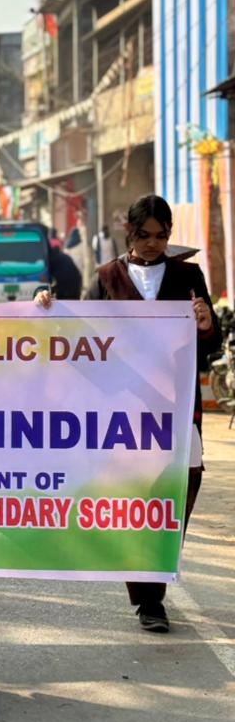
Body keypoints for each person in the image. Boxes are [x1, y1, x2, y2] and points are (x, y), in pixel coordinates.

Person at [35, 193, 221, 634]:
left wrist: (205, 324)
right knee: (137, 499)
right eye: (144, 235)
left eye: (161, 235)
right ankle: (149, 598)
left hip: (177, 409)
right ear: (129, 233)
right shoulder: (106, 277)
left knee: (176, 495)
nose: (153, 243)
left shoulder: (189, 276)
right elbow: (80, 336)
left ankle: (155, 576)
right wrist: (48, 309)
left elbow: (210, 344)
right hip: (124, 412)